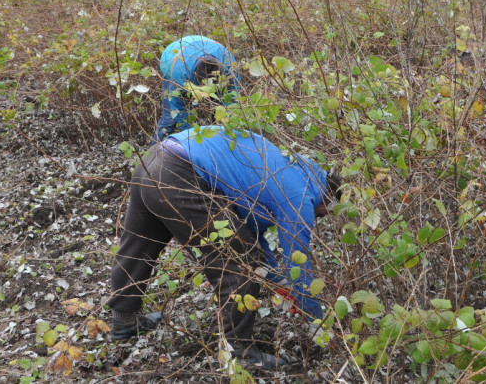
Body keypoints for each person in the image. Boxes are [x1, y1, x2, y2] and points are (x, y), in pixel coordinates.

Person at [107, 125, 341, 371]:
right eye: (324, 213)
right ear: (328, 199)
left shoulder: (287, 164)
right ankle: (238, 352)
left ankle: (124, 321)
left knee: (140, 243)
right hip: (181, 172)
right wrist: (316, 320)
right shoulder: (300, 194)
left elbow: (251, 233)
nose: (320, 217)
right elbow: (298, 263)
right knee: (241, 261)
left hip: (155, 158)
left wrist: (277, 282)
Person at [154, 36, 240, 143]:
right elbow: (179, 111)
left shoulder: (228, 64)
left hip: (200, 46)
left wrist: (227, 121)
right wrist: (192, 139)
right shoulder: (180, 73)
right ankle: (155, 152)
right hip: (171, 57)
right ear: (195, 75)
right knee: (169, 121)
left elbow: (233, 97)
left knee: (219, 114)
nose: (208, 92)